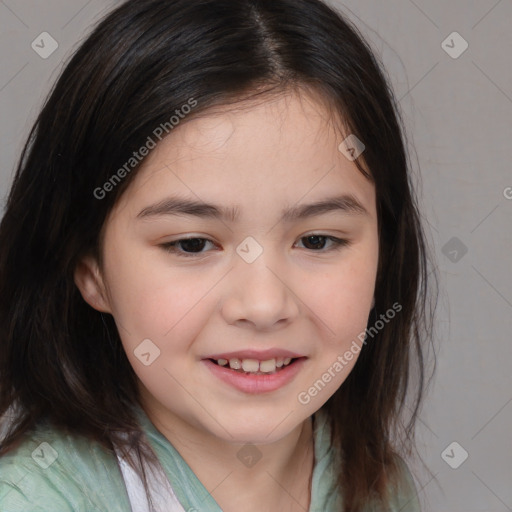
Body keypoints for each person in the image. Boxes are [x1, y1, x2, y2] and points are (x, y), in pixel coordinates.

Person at [0, 0, 437, 510]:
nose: (263, 304)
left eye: (318, 240)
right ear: (90, 268)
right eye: (192, 244)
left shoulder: (379, 486)